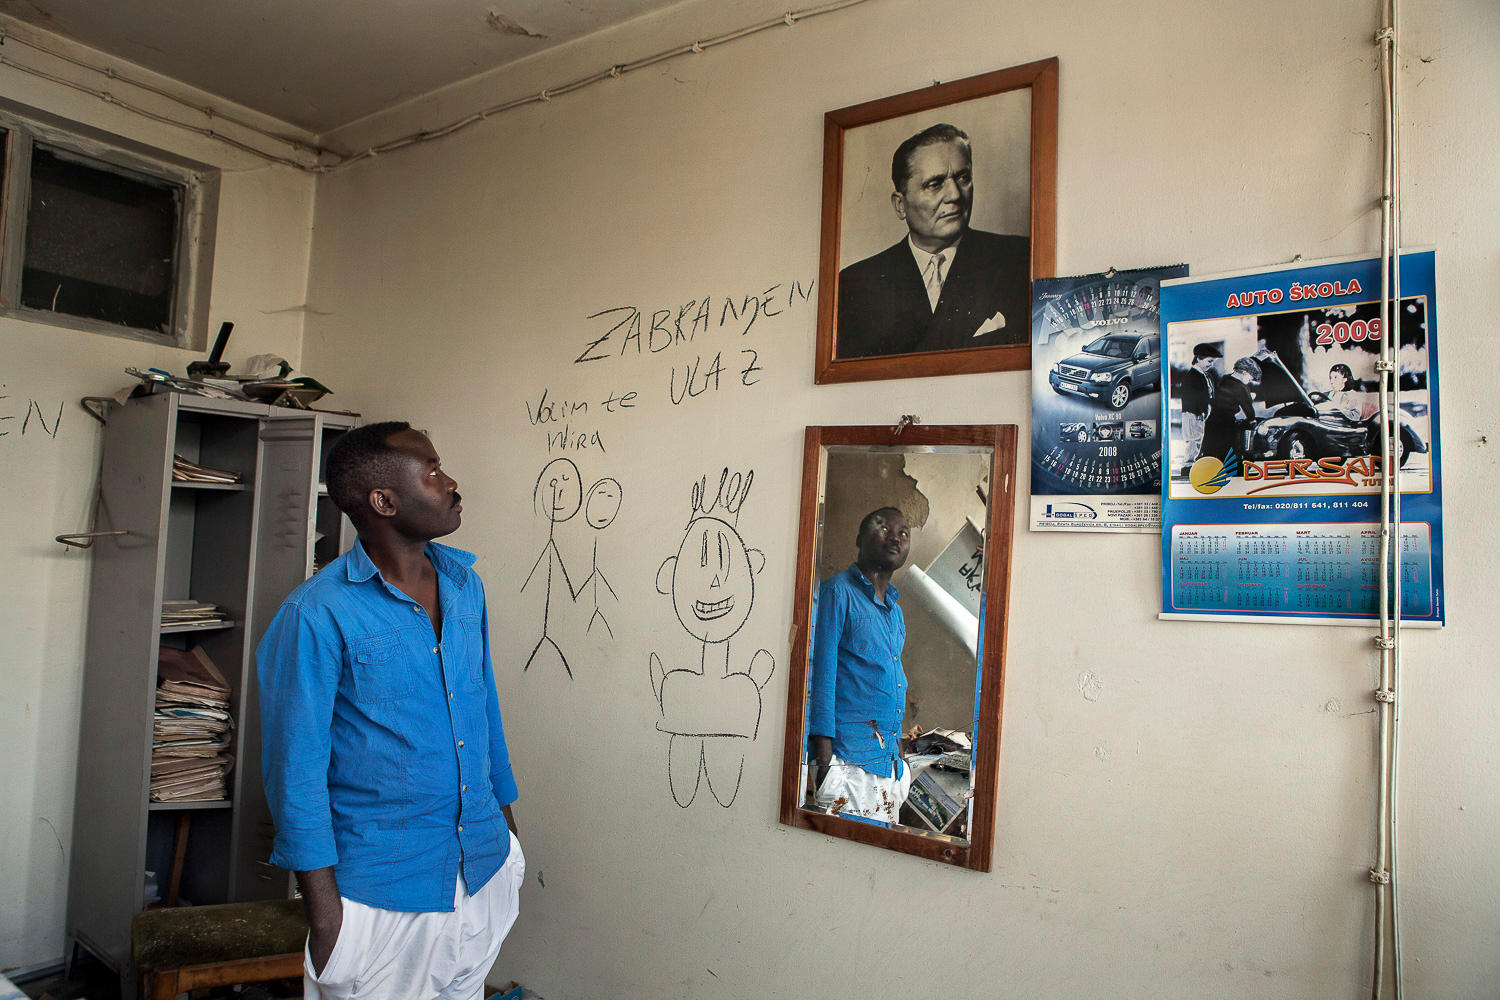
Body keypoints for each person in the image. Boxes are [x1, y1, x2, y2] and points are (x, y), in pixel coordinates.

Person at [258, 422, 523, 1000]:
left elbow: (484, 705)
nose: (451, 483)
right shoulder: (316, 613)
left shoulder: (463, 585)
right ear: (383, 501)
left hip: (481, 870)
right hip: (379, 893)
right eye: (432, 471)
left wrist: (505, 829)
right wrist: (328, 920)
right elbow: (293, 769)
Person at [836, 123, 1031, 359]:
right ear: (900, 205)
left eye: (963, 178)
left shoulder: (1019, 258)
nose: (955, 195)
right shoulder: (855, 285)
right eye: (935, 184)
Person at [806, 507, 914, 823]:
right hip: (847, 764)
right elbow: (819, 677)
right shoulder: (837, 593)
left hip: (888, 767)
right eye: (883, 527)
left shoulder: (895, 613)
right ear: (859, 538)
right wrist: (825, 764)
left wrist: (901, 760)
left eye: (904, 532)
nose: (895, 536)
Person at [1201, 356, 1261, 463]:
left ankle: (1207, 467)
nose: (1249, 381)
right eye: (1250, 378)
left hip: (1212, 420)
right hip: (1226, 421)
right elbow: (1248, 409)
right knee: (1228, 448)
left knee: (1210, 448)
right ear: (1243, 372)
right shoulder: (1241, 387)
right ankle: (1231, 469)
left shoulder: (1224, 379)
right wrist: (1252, 419)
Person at [1179, 343, 1222, 473]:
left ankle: (1193, 466)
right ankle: (1187, 467)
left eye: (1212, 361)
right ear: (1198, 358)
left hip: (1200, 413)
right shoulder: (1192, 376)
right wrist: (1200, 411)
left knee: (1198, 439)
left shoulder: (1205, 375)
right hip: (1193, 413)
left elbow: (1208, 394)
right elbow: (1190, 397)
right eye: (1209, 361)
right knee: (1193, 440)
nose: (1211, 364)